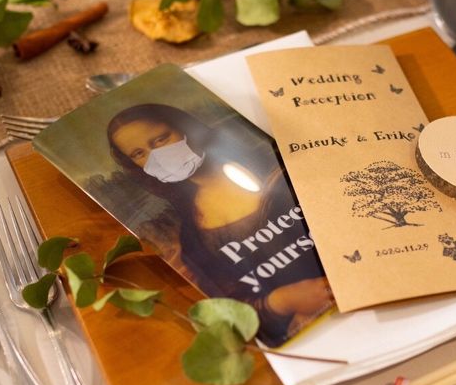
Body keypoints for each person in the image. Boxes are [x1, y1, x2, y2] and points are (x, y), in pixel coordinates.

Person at [106, 103, 333, 346]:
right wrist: (280, 302)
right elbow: (234, 306)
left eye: (161, 139)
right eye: (138, 154)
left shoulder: (275, 162)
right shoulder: (192, 235)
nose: (156, 157)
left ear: (185, 127)